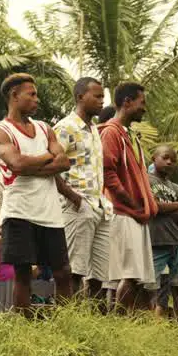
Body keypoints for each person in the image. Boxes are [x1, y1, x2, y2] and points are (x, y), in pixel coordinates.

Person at [0, 73, 73, 316]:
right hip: (19, 212)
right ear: (15, 96)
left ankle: (67, 325)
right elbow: (16, 164)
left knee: (63, 272)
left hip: (50, 213)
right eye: (32, 94)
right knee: (23, 274)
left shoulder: (45, 128)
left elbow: (64, 161)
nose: (37, 99)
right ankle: (24, 328)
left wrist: (33, 165)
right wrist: (48, 158)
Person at [101, 83, 158, 313]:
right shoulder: (111, 131)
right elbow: (107, 172)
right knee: (128, 274)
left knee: (137, 276)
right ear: (127, 102)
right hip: (123, 212)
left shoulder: (130, 134)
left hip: (136, 213)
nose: (144, 108)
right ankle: (119, 322)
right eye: (141, 102)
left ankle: (129, 322)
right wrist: (131, 201)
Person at [54, 77, 111, 302]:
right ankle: (69, 323)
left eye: (102, 97)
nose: (101, 101)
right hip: (77, 205)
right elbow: (51, 166)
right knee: (74, 271)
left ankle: (95, 326)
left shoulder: (94, 129)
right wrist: (74, 198)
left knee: (99, 275)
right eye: (96, 96)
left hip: (100, 207)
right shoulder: (65, 127)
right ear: (80, 97)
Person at [147, 145, 178, 320]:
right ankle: (150, 325)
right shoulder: (146, 180)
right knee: (152, 286)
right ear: (154, 158)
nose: (169, 162)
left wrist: (166, 208)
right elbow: (153, 207)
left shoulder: (177, 188)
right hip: (156, 240)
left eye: (173, 159)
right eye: (165, 157)